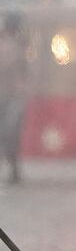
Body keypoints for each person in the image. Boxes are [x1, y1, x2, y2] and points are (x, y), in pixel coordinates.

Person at [0, 11, 29, 184]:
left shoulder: (19, 44)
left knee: (10, 131)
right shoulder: (15, 45)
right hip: (9, 94)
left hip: (13, 95)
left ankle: (14, 167)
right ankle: (13, 167)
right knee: (10, 132)